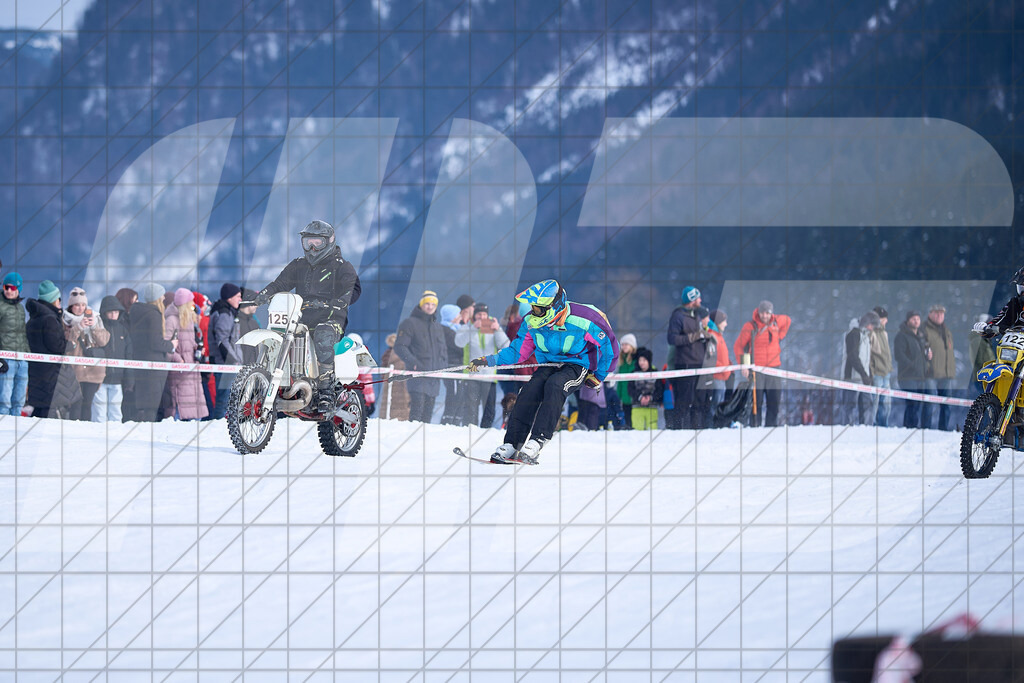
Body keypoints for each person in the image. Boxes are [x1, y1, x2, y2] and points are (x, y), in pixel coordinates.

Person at [468, 279, 618, 464]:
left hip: (578, 364)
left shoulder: (584, 319)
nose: (534, 312)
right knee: (529, 390)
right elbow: (517, 352)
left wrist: (599, 375)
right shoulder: (531, 322)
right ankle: (512, 444)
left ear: (555, 306)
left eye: (539, 308)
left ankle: (538, 440)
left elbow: (610, 347)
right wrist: (487, 360)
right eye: (533, 308)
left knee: (556, 385)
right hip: (549, 363)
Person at [254, 219, 361, 414]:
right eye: (308, 242)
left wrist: (341, 301)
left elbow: (353, 287)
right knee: (279, 337)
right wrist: (264, 294)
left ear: (329, 241)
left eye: (317, 242)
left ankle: (326, 391)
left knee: (323, 335)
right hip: (300, 316)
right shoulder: (298, 265)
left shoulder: (341, 266)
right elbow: (280, 284)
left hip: (331, 317)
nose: (312, 248)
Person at [25, 281, 81, 419]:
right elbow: (56, 346)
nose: (60, 302)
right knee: (48, 414)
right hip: (50, 374)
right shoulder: (49, 319)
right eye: (58, 299)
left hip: (37, 371)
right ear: (53, 300)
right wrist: (70, 344)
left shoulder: (33, 319)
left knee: (38, 411)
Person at [733, 300, 791, 427]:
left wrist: (779, 336)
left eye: (767, 313)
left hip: (774, 369)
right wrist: (744, 365)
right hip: (756, 370)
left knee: (774, 403)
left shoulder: (775, 323)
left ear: (771, 314)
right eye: (762, 313)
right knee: (755, 404)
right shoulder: (750, 326)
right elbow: (739, 346)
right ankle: (755, 429)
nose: (764, 316)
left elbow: (787, 320)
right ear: (758, 312)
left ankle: (771, 429)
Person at [393, 290, 448, 423]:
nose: (430, 306)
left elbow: (443, 351)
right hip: (417, 376)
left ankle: (423, 442)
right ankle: (412, 440)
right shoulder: (409, 323)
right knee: (417, 413)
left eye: (433, 304)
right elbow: (400, 346)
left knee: (427, 417)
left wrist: (443, 367)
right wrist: (413, 362)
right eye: (427, 303)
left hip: (434, 378)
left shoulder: (438, 326)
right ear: (421, 304)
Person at [455, 302, 510, 427]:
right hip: (472, 374)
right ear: (474, 315)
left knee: (489, 407)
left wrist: (498, 330)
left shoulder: (493, 326)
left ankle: (486, 431)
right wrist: (474, 328)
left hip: (489, 375)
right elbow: (459, 342)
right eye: (479, 314)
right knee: (470, 407)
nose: (482, 317)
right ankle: (470, 429)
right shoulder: (468, 326)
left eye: (484, 314)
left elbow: (506, 346)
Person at [129, 283, 177, 422]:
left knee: (143, 406)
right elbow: (155, 342)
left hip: (141, 362)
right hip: (154, 367)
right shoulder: (154, 314)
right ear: (157, 297)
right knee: (152, 408)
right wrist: (171, 345)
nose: (163, 297)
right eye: (161, 295)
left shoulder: (136, 312)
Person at [666, 285, 711, 429]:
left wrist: (705, 334)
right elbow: (672, 339)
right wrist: (693, 337)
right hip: (685, 364)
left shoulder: (698, 315)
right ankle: (679, 431)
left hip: (700, 364)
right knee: (684, 402)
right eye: (698, 297)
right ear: (691, 299)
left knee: (699, 402)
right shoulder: (678, 315)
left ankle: (696, 431)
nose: (701, 300)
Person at [64, 287, 110, 420]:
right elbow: (66, 343)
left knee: (87, 404)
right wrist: (78, 328)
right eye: (77, 305)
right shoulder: (65, 320)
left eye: (83, 305)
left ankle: (85, 436)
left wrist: (94, 327)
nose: (80, 308)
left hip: (94, 370)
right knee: (75, 405)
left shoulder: (96, 318)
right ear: (71, 306)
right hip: (74, 370)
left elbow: (103, 341)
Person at [164, 288, 209, 421]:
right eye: (191, 301)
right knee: (182, 408)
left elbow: (189, 342)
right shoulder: (171, 320)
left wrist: (197, 349)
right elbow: (166, 345)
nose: (193, 304)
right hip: (180, 372)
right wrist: (179, 360)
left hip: (192, 369)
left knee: (195, 409)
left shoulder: (189, 319)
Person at [94, 295, 132, 422]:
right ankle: (97, 438)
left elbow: (129, 355)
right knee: (99, 413)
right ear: (104, 312)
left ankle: (115, 437)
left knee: (116, 414)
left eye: (116, 312)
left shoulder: (123, 330)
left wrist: (129, 378)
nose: (113, 315)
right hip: (100, 379)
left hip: (117, 380)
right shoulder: (98, 328)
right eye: (110, 312)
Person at [208, 283, 244, 419]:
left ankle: (223, 422)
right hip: (225, 365)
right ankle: (218, 424)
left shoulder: (229, 312)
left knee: (228, 400)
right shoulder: (224, 314)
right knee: (224, 399)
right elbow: (221, 340)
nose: (240, 299)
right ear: (229, 297)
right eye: (238, 296)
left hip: (229, 364)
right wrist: (232, 359)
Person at [893, 311, 931, 429]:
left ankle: (913, 427)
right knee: (912, 403)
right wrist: (912, 366)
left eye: (918, 319)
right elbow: (899, 355)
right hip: (907, 376)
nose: (916, 321)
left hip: (921, 376)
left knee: (918, 404)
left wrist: (927, 357)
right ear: (908, 320)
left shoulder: (920, 336)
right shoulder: (901, 335)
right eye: (913, 319)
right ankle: (909, 428)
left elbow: (923, 353)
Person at [0, 272, 29, 416]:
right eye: (6, 287)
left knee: (19, 400)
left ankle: (16, 429)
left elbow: (22, 334)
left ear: (18, 289)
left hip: (21, 359)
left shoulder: (20, 308)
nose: (9, 291)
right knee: (4, 399)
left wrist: (28, 356)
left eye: (12, 288)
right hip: (6, 359)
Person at [842, 312, 878, 425]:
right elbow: (853, 357)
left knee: (867, 405)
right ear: (866, 323)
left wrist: (869, 375)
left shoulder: (866, 337)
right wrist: (863, 374)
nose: (873, 328)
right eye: (872, 325)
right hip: (852, 377)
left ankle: (866, 431)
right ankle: (847, 431)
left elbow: (866, 359)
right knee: (850, 407)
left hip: (863, 378)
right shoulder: (853, 334)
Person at [923, 304, 954, 431]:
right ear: (930, 314)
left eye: (942, 313)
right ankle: (925, 429)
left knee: (947, 404)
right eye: (936, 313)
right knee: (929, 403)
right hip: (930, 373)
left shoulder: (946, 331)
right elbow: (921, 347)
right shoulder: (924, 329)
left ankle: (944, 430)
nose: (939, 315)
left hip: (946, 374)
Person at [438, 304, 465, 425]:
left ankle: (454, 420)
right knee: (453, 394)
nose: (460, 317)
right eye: (458, 314)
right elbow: (459, 348)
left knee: (458, 394)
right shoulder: (446, 331)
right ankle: (448, 420)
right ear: (452, 316)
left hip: (457, 365)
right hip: (452, 366)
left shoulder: (455, 329)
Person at [706, 310, 733, 426]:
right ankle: (712, 428)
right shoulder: (712, 335)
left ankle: (718, 427)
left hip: (722, 377)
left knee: (719, 405)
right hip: (716, 377)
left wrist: (729, 366)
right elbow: (709, 358)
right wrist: (721, 368)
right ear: (718, 322)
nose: (726, 324)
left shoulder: (718, 336)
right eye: (724, 321)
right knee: (714, 406)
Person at [870, 306, 894, 427]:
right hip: (876, 374)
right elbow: (869, 354)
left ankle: (884, 426)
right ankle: (872, 425)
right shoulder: (871, 332)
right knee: (874, 403)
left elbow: (886, 353)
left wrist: (889, 368)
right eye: (884, 318)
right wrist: (872, 371)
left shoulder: (884, 333)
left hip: (886, 373)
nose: (886, 321)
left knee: (886, 403)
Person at [628, 347, 663, 430]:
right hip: (637, 408)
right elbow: (630, 390)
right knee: (637, 433)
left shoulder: (655, 373)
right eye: (640, 360)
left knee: (652, 432)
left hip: (652, 408)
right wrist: (640, 397)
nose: (641, 363)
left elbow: (659, 390)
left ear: (649, 361)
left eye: (644, 360)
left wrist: (650, 398)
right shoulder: (633, 373)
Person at [379, 333, 409, 420]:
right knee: (401, 409)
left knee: (388, 404)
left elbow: (383, 374)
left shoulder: (387, 355)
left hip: (389, 385)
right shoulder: (403, 356)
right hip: (402, 387)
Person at [614, 333, 637, 429]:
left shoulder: (636, 360)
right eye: (622, 344)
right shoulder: (621, 361)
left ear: (632, 346)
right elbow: (620, 381)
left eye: (626, 344)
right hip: (624, 397)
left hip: (633, 397)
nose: (624, 347)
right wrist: (618, 395)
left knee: (633, 421)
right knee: (626, 421)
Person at [969, 313, 996, 396]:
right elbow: (979, 360)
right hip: (983, 376)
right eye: (989, 325)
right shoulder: (978, 340)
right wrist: (991, 368)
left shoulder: (983, 340)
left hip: (984, 375)